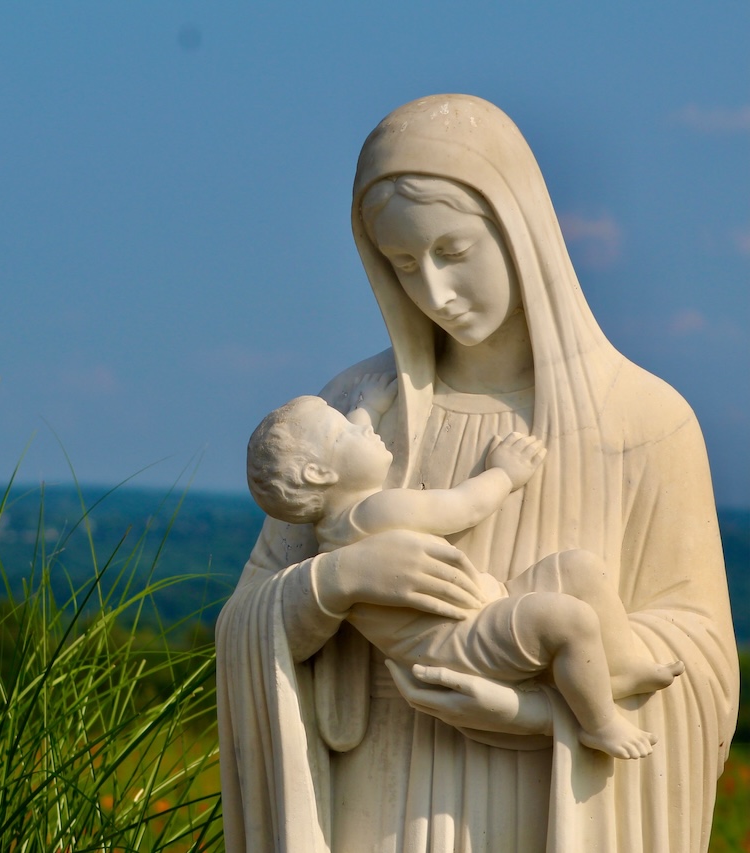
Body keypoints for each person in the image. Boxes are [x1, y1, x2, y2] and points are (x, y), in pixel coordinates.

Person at [215, 95, 737, 852]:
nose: (432, 292)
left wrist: (530, 715)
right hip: (374, 808)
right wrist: (334, 582)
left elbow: (700, 669)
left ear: (520, 231)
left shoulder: (647, 421)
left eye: (453, 252)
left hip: (534, 815)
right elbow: (245, 623)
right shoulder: (353, 409)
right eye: (402, 264)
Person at [245, 383, 683, 759]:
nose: (363, 428)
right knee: (570, 619)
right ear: (319, 472)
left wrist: (370, 408)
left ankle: (620, 666)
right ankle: (600, 722)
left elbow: (344, 449)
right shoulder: (378, 509)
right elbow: (463, 506)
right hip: (461, 640)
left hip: (482, 605)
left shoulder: (340, 527)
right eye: (348, 428)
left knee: (578, 568)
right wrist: (505, 473)